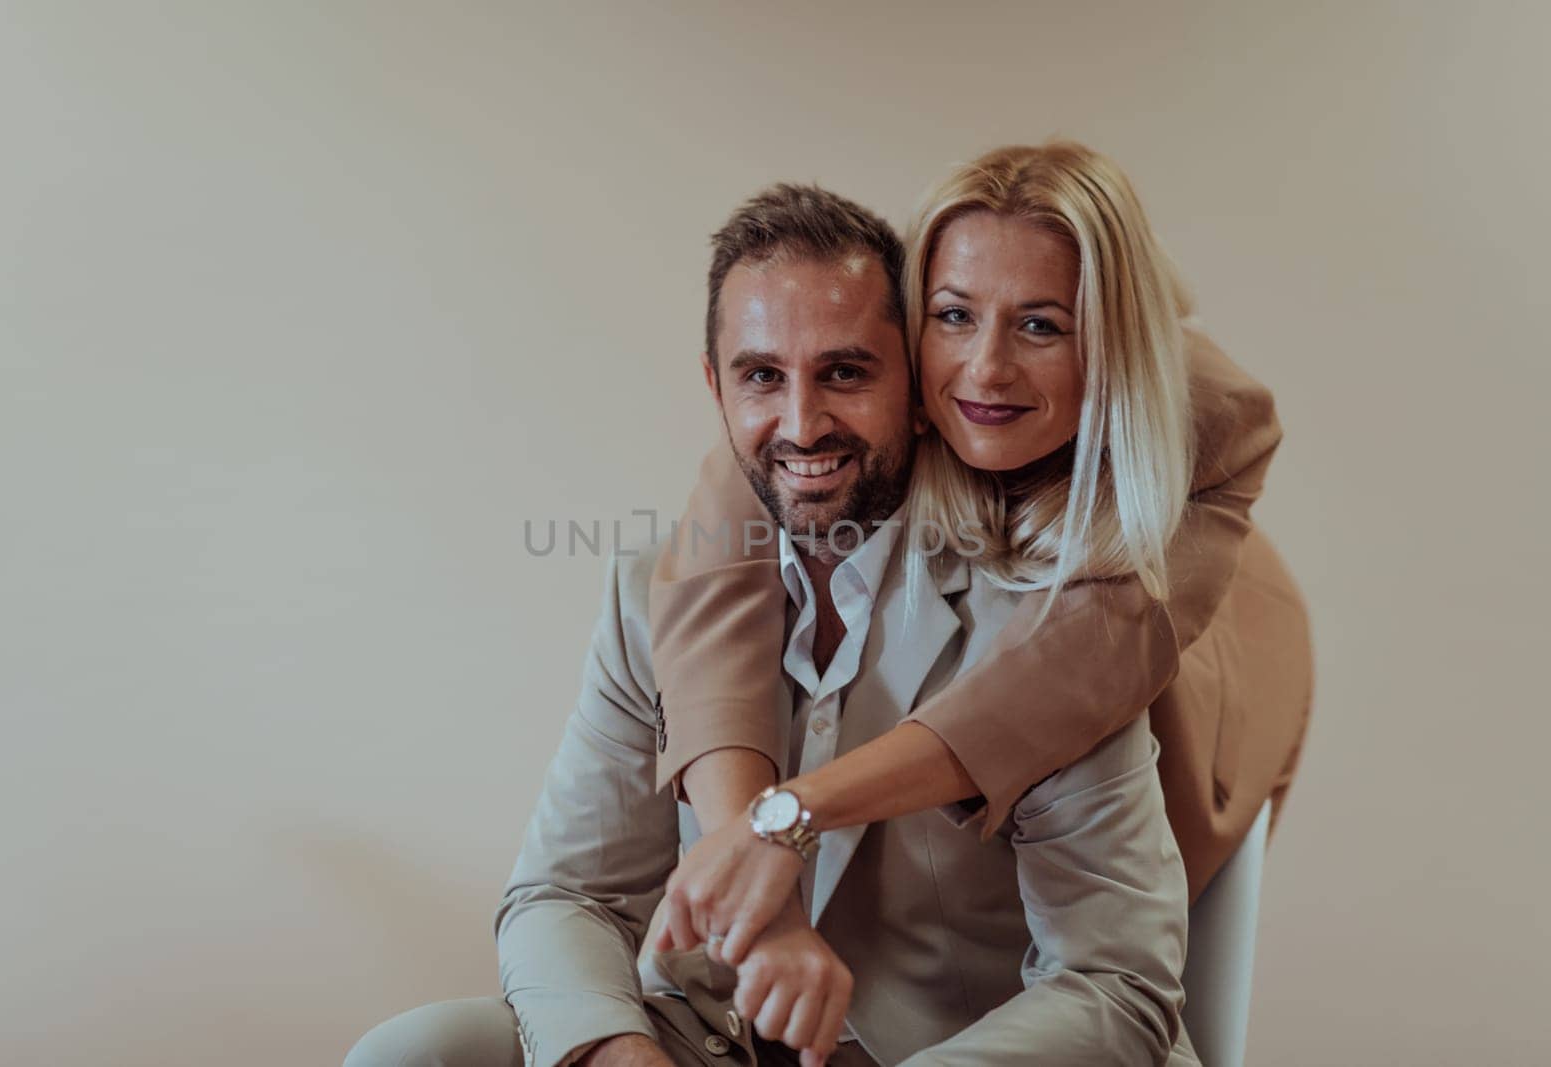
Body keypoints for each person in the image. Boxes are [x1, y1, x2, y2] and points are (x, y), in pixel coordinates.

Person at [346, 183, 1201, 1066]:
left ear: (915, 385)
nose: (801, 424)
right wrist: (614, 1053)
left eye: (844, 372)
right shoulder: (656, 592)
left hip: (959, 1051)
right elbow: (567, 894)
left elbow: (1113, 983)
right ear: (716, 387)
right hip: (716, 1042)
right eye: (762, 375)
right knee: (415, 1051)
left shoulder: (1056, 616)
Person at [648, 142, 1312, 970]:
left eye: (1040, 325)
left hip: (1194, 654)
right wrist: (756, 875)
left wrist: (790, 815)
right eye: (954, 316)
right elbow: (716, 584)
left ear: (1110, 340)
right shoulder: (829, 397)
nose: (986, 369)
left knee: (1126, 960)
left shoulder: (1211, 418)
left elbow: (1059, 675)